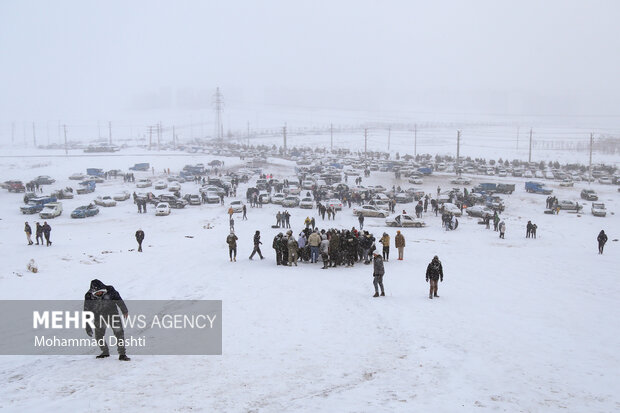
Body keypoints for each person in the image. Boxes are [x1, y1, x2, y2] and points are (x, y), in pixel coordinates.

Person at [84, 279, 130, 361]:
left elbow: (118, 299)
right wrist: (87, 326)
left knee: (119, 333)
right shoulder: (88, 296)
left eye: (101, 292)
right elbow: (87, 311)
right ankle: (105, 352)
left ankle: (122, 354)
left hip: (113, 314)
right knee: (99, 336)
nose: (99, 294)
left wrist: (124, 310)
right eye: (97, 293)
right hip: (99, 317)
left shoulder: (110, 290)